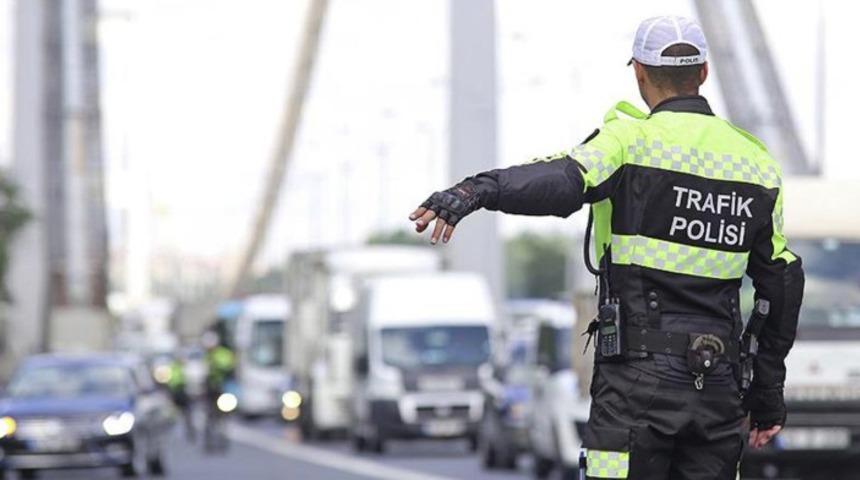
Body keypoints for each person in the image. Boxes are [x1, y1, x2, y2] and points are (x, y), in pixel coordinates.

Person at [409, 15, 804, 479]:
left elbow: (559, 181)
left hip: (636, 386)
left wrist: (476, 191)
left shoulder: (629, 142)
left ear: (639, 72)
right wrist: (766, 393)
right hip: (717, 384)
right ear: (703, 73)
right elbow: (782, 284)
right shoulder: (756, 164)